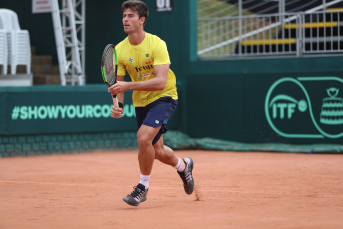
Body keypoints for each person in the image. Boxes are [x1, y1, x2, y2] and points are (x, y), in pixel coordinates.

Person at [108, 0, 194, 207]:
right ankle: (184, 166)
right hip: (141, 101)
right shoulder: (119, 50)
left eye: (130, 16)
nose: (125, 20)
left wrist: (127, 86)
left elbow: (160, 81)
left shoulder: (157, 44)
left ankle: (142, 188)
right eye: (124, 16)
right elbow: (119, 84)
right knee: (157, 150)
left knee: (143, 138)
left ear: (142, 20)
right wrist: (118, 105)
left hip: (164, 96)